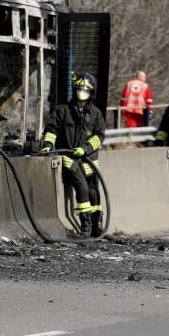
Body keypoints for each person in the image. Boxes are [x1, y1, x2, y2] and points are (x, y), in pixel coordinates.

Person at [41, 72, 106, 237]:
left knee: (93, 190)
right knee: (82, 188)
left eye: (84, 90)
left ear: (91, 93)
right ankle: (85, 224)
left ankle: (96, 222)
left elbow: (100, 136)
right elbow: (51, 130)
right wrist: (48, 145)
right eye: (78, 89)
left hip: (89, 159)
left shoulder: (96, 114)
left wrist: (85, 148)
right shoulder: (62, 111)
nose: (80, 93)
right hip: (70, 159)